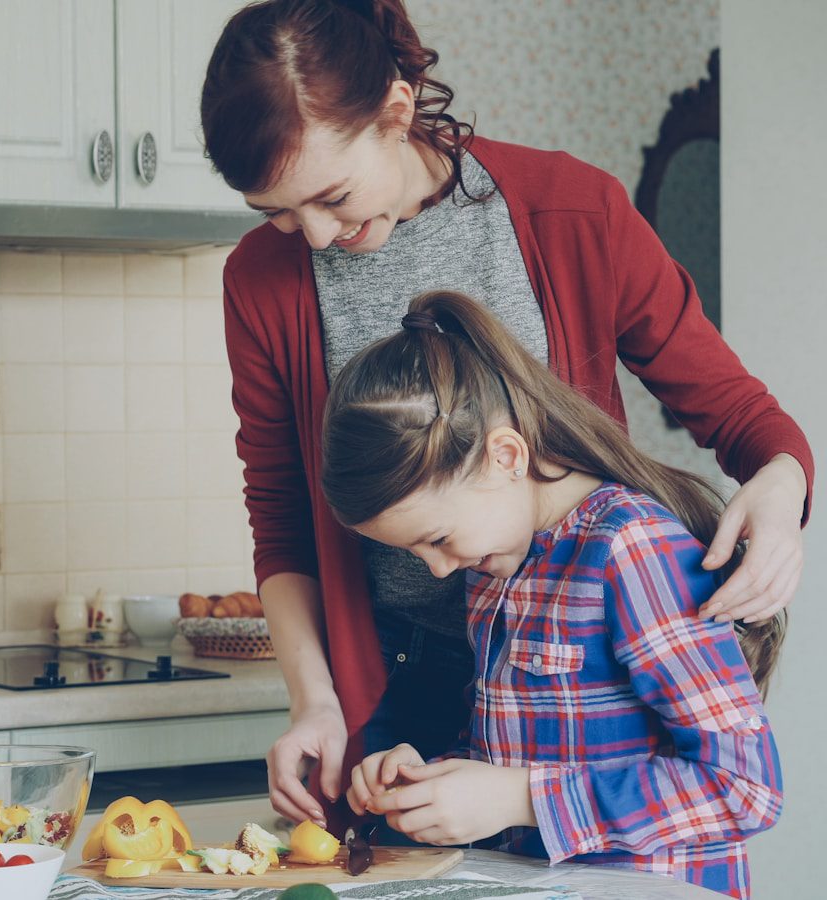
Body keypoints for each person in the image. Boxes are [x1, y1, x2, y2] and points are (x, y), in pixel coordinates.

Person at [199, 0, 812, 832]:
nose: (311, 235)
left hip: (584, 679)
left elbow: (740, 414)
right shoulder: (260, 282)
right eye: (275, 211)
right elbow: (282, 518)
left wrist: (780, 489)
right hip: (399, 676)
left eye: (332, 196)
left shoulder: (572, 209)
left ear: (396, 111)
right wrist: (317, 703)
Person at [325, 291, 783, 899]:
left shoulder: (631, 548)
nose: (437, 570)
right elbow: (527, 743)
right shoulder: (493, 567)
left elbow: (745, 789)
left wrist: (519, 798)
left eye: (436, 538)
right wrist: (431, 778)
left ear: (506, 456)